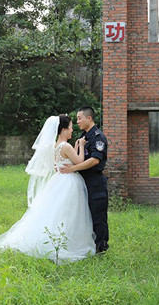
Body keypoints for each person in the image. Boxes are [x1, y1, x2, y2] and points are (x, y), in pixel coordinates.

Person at [0, 115, 96, 264]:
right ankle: (67, 241)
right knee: (69, 212)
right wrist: (81, 146)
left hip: (59, 179)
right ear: (64, 129)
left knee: (58, 211)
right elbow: (79, 161)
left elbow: (62, 162)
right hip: (69, 182)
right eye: (71, 127)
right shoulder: (66, 146)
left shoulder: (56, 146)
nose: (73, 130)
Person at [60, 106, 109, 253]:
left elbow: (95, 160)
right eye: (76, 119)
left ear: (89, 118)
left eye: (80, 118)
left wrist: (73, 169)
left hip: (95, 183)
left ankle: (101, 249)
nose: (77, 122)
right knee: (83, 216)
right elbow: (75, 158)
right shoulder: (83, 137)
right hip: (81, 182)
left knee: (98, 217)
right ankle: (87, 246)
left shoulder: (98, 137)